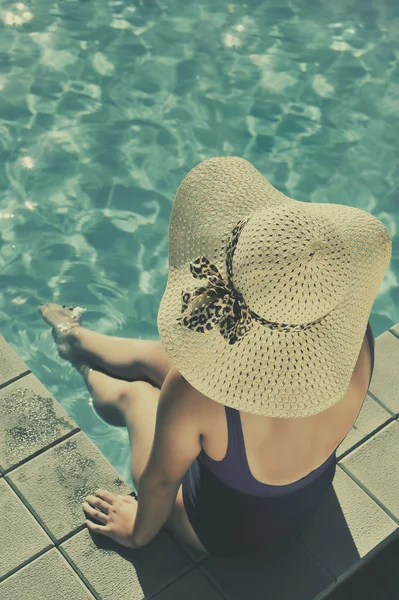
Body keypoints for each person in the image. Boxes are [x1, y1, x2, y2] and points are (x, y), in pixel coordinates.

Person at [38, 156, 391, 558]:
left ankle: (80, 362)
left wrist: (136, 532)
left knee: (138, 395)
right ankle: (79, 338)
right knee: (165, 359)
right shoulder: (356, 336)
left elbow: (157, 484)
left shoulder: (194, 395)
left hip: (221, 531)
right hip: (304, 498)